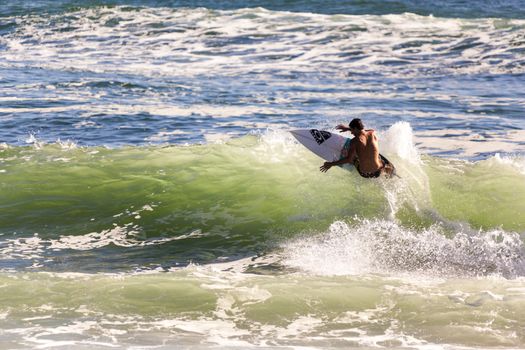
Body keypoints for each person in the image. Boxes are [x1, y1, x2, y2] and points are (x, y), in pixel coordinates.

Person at [319, 118, 395, 178]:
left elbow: (349, 160)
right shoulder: (372, 133)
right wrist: (348, 128)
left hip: (366, 173)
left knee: (354, 157)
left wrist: (331, 164)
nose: (351, 133)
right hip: (378, 171)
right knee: (377, 156)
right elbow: (365, 131)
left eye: (352, 130)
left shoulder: (354, 141)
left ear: (355, 128)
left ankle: (359, 160)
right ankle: (387, 170)